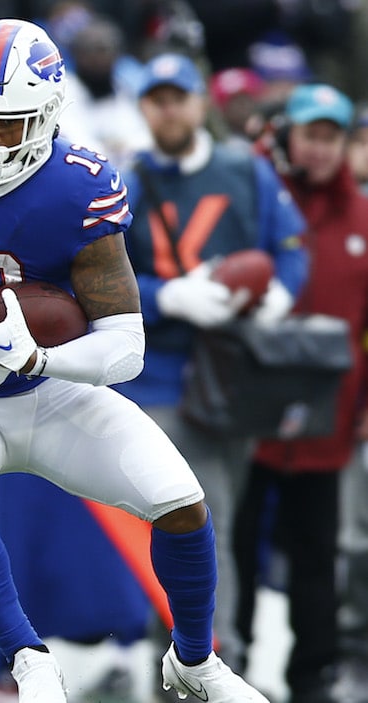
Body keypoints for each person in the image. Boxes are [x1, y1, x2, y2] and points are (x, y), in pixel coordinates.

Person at [0, 19, 271, 702]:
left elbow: (125, 345)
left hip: (52, 394)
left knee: (182, 502)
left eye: (9, 124)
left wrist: (41, 357)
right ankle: (26, 657)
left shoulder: (78, 184)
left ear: (47, 115)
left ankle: (195, 661)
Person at [115, 52, 308, 680]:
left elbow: (290, 246)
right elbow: (92, 274)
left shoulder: (244, 170)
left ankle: (182, 646)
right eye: (156, 98)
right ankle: (201, 657)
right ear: (144, 108)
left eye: (178, 97)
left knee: (216, 511)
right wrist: (163, 294)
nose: (168, 109)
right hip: (166, 371)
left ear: (200, 102)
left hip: (238, 368)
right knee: (200, 513)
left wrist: (278, 294)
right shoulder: (132, 180)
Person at [235, 84, 368, 703]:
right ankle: (221, 664)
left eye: (331, 137)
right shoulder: (257, 194)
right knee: (231, 544)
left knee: (318, 555)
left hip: (329, 418)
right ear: (290, 135)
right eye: (311, 135)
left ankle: (312, 674)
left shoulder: (362, 218)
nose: (320, 149)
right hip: (247, 416)